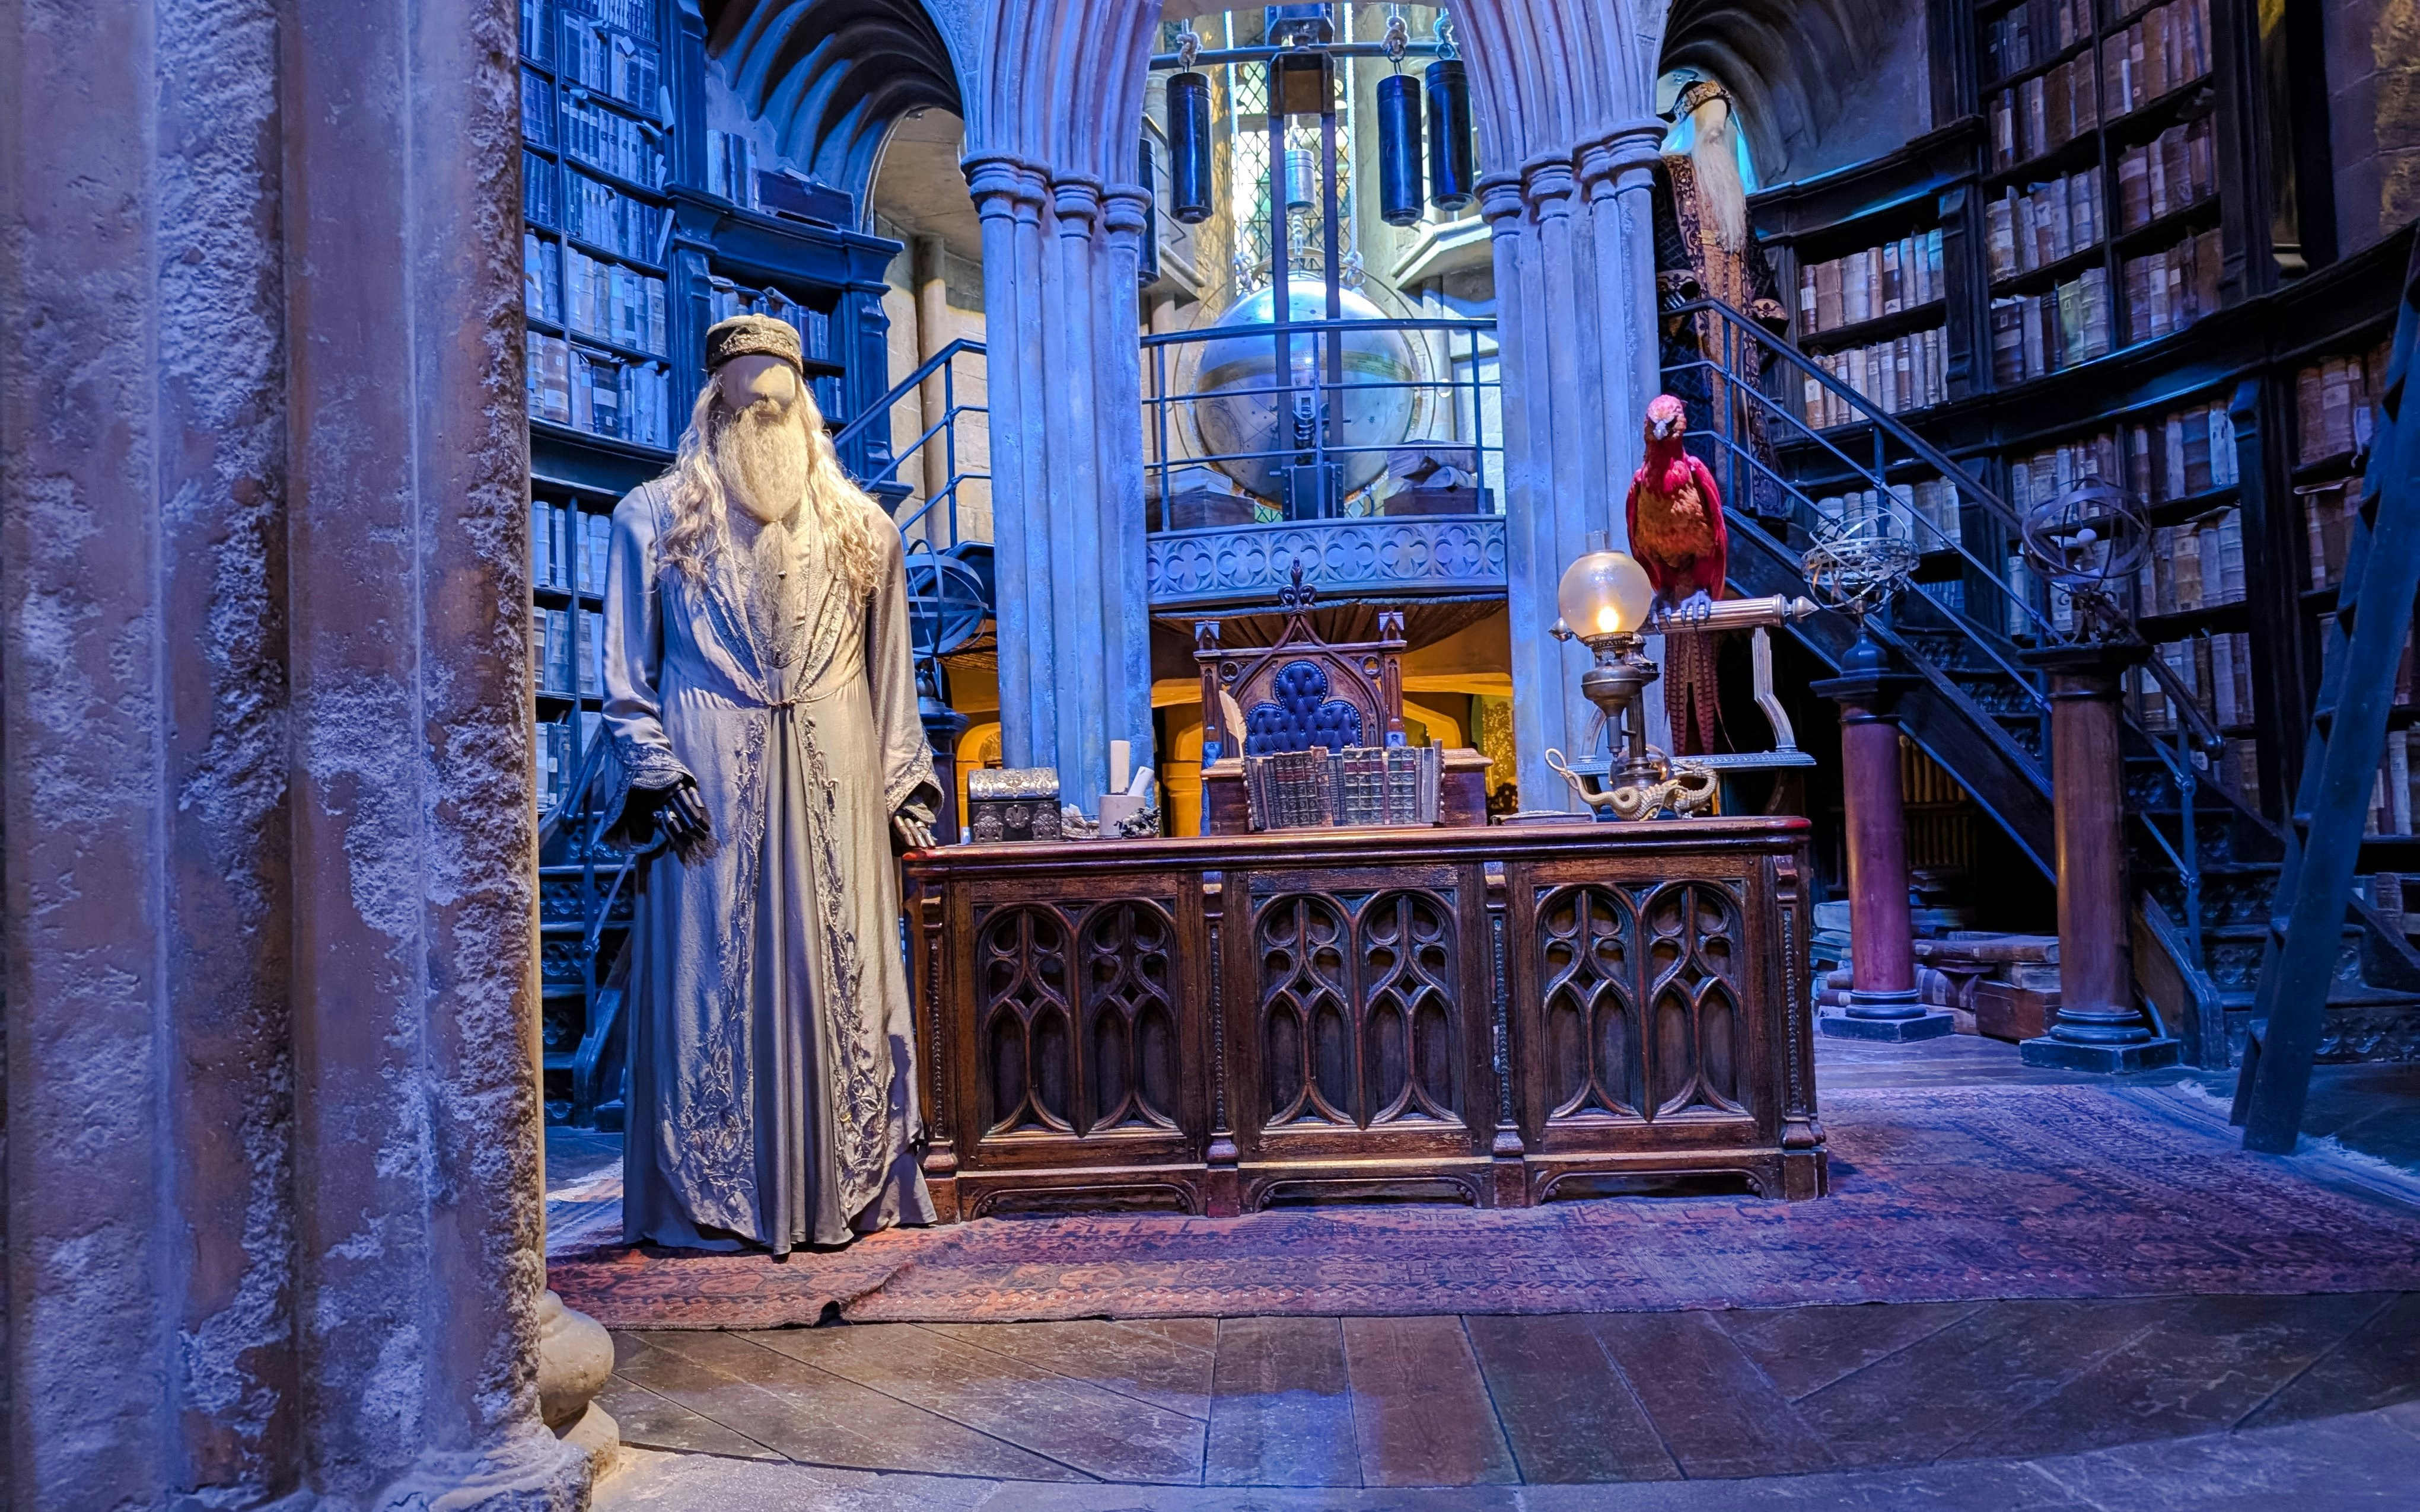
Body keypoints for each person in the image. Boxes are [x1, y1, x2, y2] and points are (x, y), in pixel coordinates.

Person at [602, 313, 940, 1253]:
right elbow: (626, 680)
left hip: (837, 781)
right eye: (744, 403)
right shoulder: (652, 519)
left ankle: (851, 1185)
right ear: (713, 407)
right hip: (708, 786)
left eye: (778, 403)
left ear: (807, 412)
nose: (762, 420)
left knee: (842, 976)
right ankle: (710, 1199)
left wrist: (900, 786)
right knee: (710, 983)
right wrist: (653, 767)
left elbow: (892, 679)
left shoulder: (867, 531)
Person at [1653, 77, 1790, 523]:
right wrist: (1684, 290)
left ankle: (1748, 502)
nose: (1714, 134)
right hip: (1693, 340)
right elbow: (1665, 241)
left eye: (1720, 127)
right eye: (1707, 125)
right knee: (1696, 425)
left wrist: (1763, 317)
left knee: (1741, 418)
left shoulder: (1733, 192)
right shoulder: (1666, 173)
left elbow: (1755, 264)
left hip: (1736, 342)